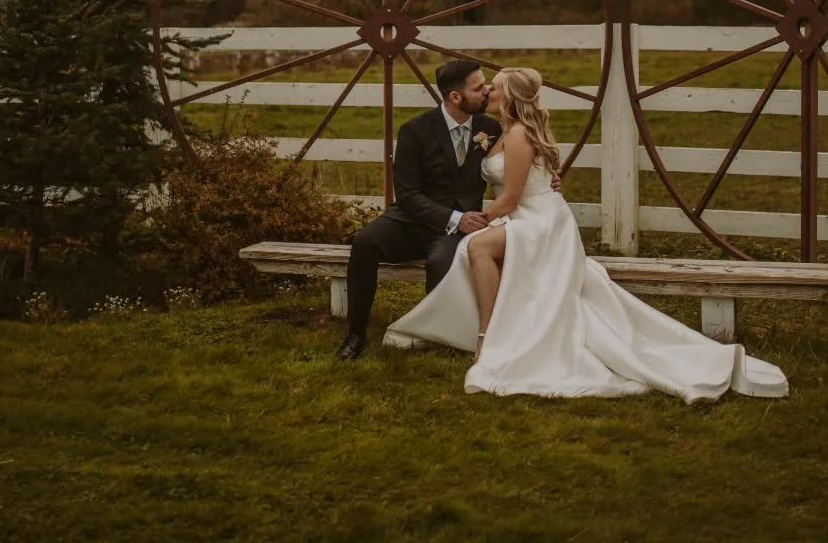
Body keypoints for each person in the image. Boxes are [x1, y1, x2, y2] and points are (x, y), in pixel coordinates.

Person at [383, 66, 789, 403]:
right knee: (477, 248)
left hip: (539, 218)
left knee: (476, 247)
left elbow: (510, 197)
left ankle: (488, 336)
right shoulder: (495, 129)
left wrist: (482, 218)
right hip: (529, 211)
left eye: (495, 87)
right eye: (485, 87)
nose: (488, 90)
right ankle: (495, 327)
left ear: (508, 98)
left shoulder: (519, 133)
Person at [335, 59, 505, 360]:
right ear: (455, 97)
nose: (487, 91)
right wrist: (455, 219)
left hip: (456, 230)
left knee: (441, 261)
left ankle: (438, 335)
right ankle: (356, 334)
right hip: (410, 220)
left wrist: (545, 177)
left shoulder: (490, 128)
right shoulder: (415, 130)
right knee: (365, 242)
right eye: (479, 88)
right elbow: (408, 194)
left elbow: (515, 159)